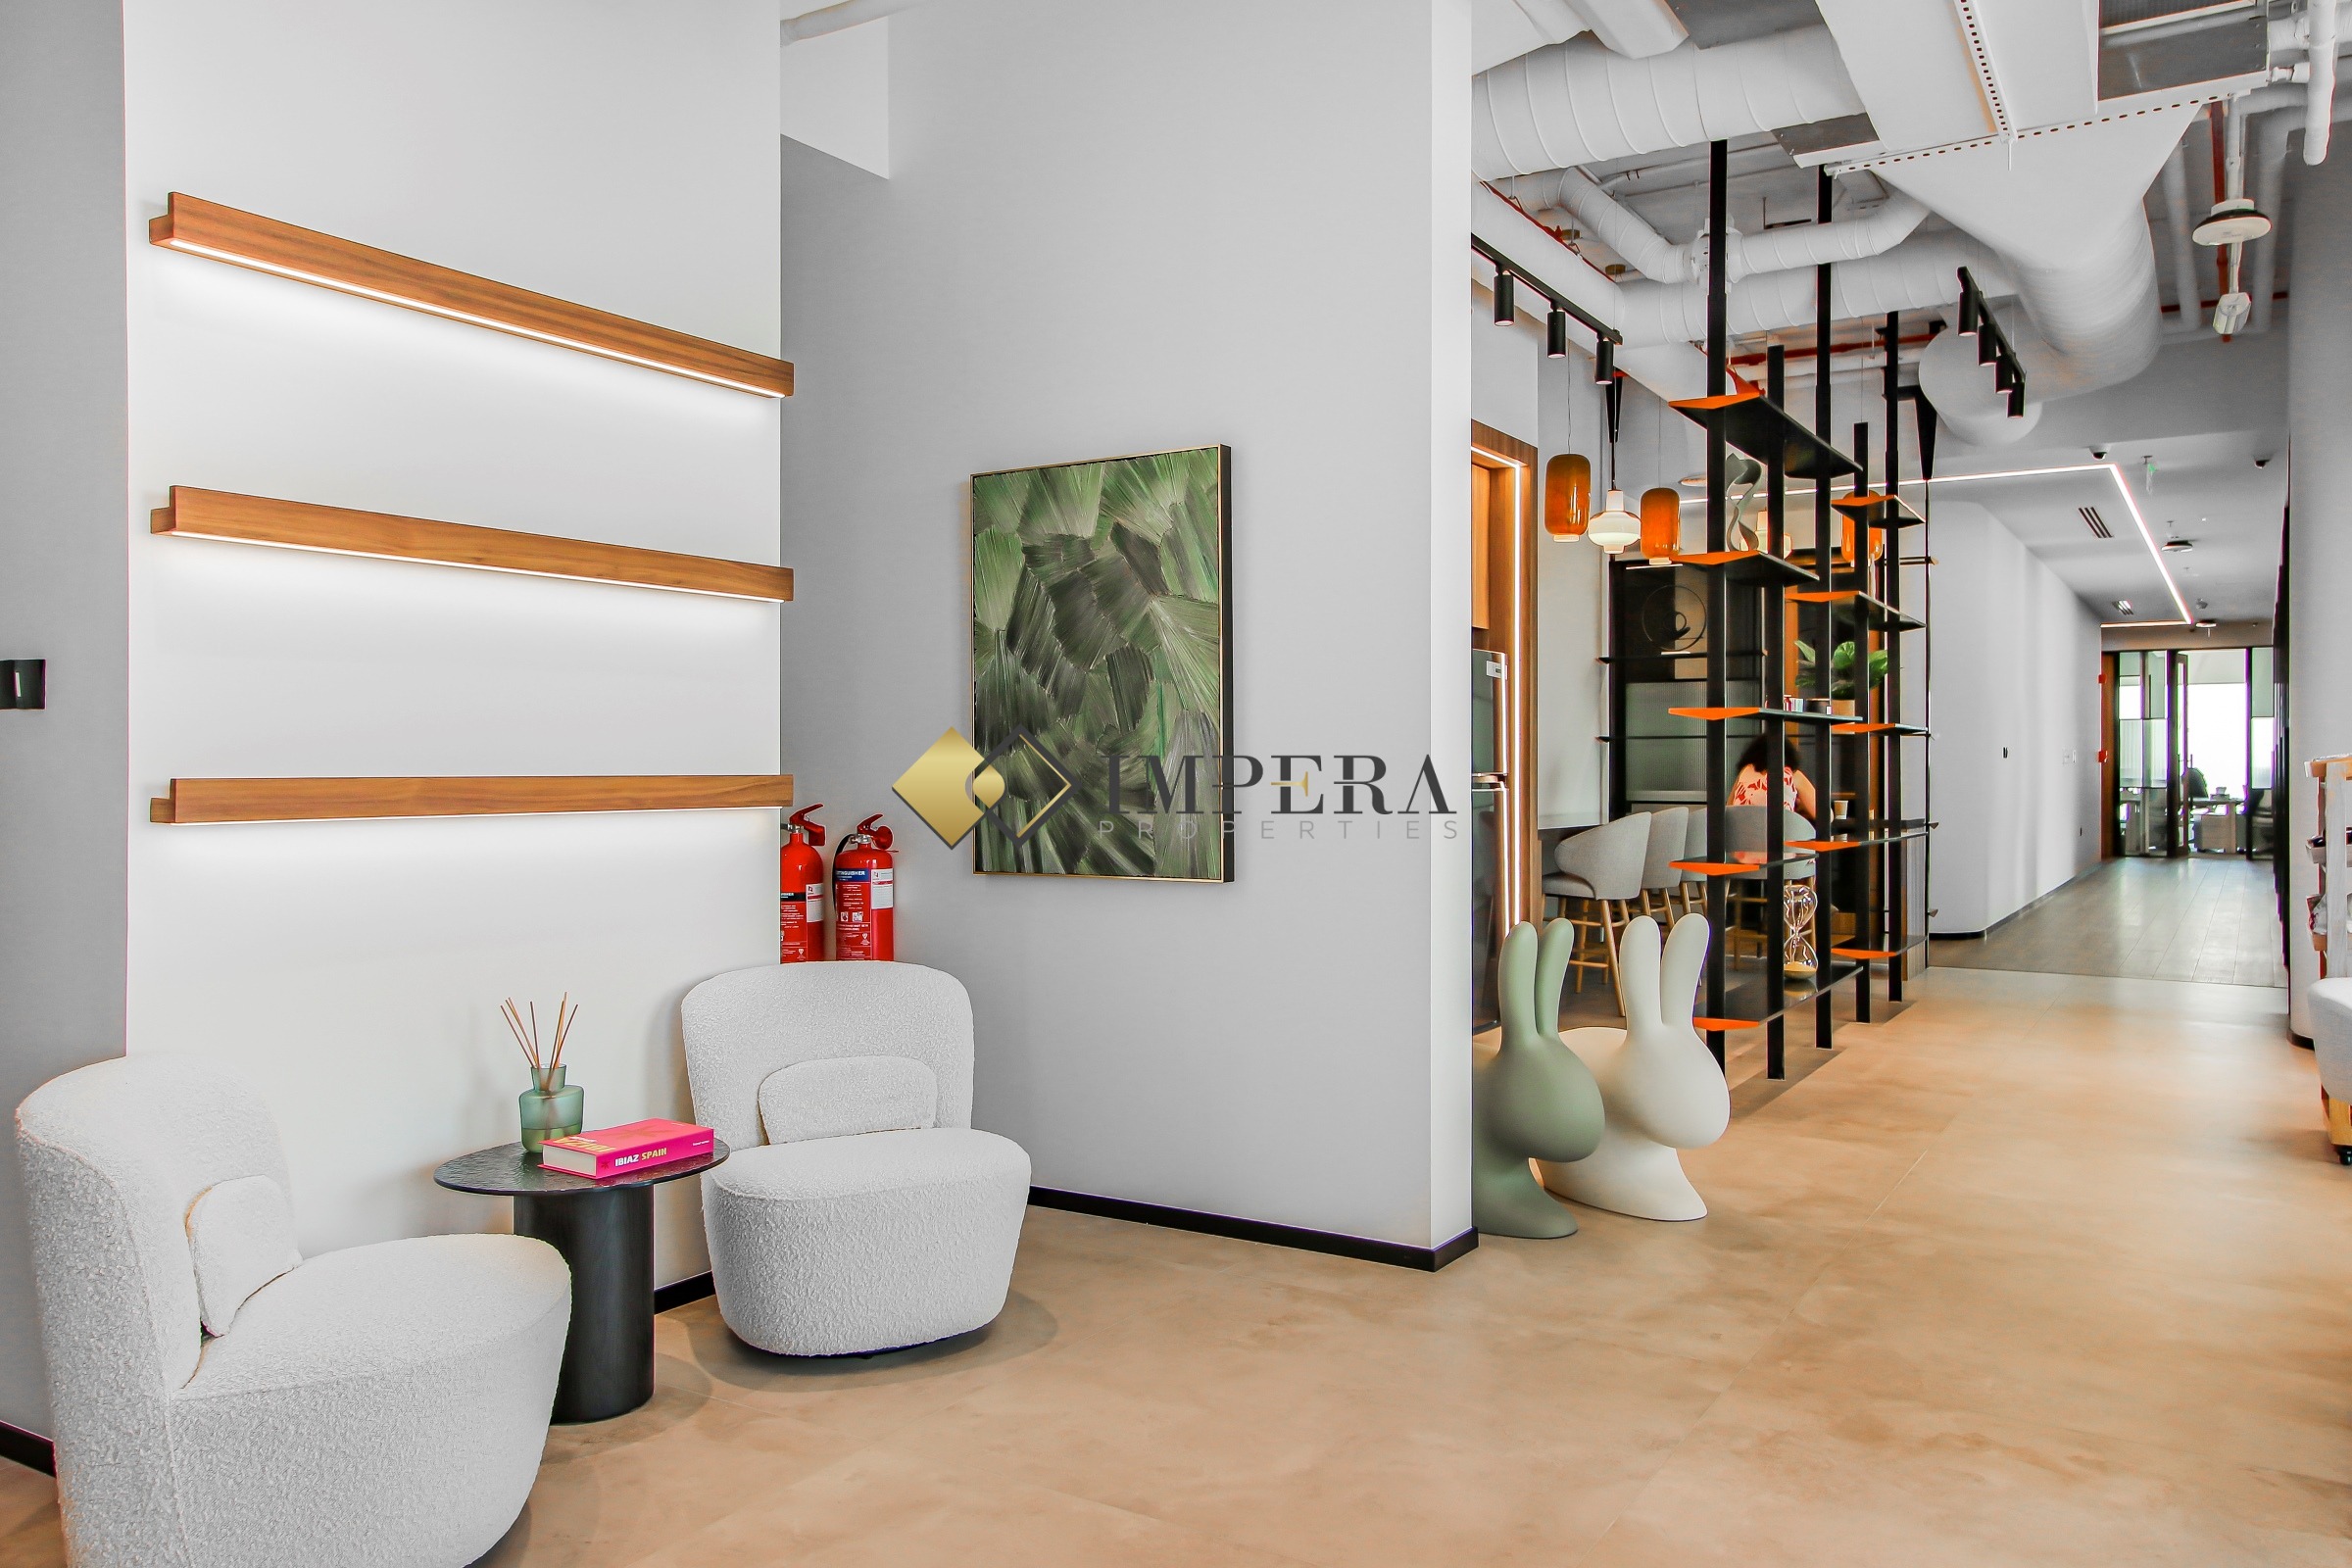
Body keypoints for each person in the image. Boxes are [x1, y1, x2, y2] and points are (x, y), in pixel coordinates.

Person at [1727, 734, 1819, 977]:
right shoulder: (1792, 774)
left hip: (1743, 857)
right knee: (1809, 853)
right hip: (1780, 858)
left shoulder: (1745, 773)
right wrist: (1796, 811)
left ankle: (1775, 914)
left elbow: (1729, 810)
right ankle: (1799, 910)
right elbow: (1824, 814)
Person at [1729, 734, 1817, 821]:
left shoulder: (1745, 771)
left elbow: (1729, 808)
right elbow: (1822, 813)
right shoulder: (1792, 775)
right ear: (1789, 755)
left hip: (1741, 828)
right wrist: (1802, 806)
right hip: (1781, 829)